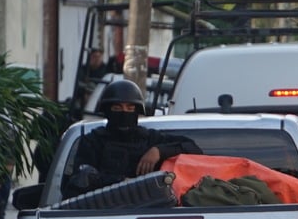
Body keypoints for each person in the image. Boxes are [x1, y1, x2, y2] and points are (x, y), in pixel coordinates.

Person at [63, 79, 202, 199]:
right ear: (107, 110)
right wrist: (121, 182)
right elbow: (81, 178)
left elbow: (193, 148)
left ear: (137, 111)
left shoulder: (149, 138)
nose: (124, 113)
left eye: (130, 108)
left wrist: (159, 151)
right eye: (117, 108)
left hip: (147, 211)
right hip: (103, 212)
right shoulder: (93, 141)